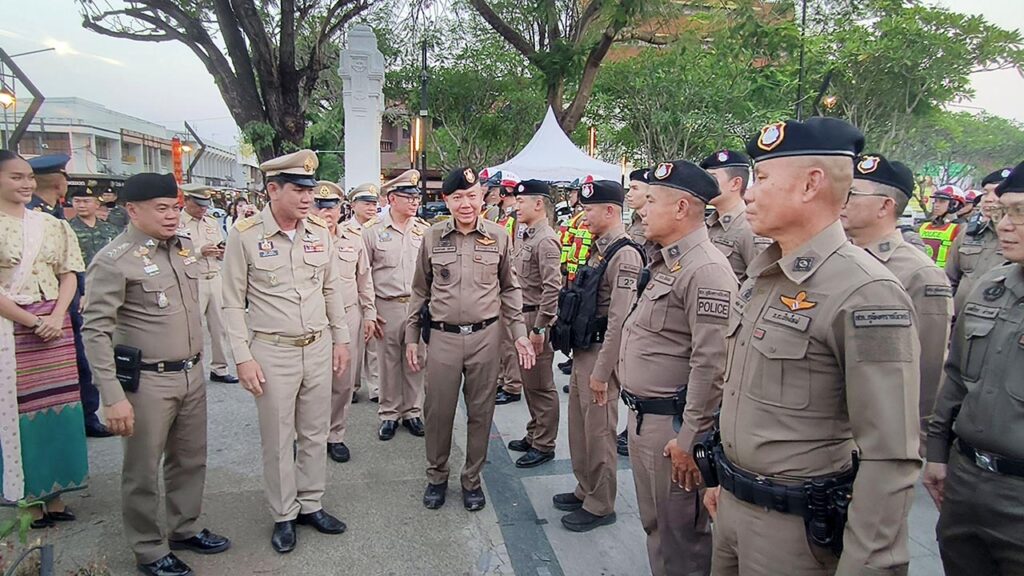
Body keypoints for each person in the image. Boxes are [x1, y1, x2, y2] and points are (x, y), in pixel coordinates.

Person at [704, 118, 922, 575]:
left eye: (763, 179)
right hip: (732, 507)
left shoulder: (865, 291)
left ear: (811, 184)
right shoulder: (764, 276)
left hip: (793, 532)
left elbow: (890, 454)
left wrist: (867, 564)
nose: (749, 194)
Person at [82, 172, 230, 576]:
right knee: (142, 470)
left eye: (175, 208)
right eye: (161, 208)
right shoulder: (114, 260)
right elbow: (95, 332)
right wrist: (112, 396)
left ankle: (185, 527)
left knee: (190, 459)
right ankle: (148, 549)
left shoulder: (183, 249)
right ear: (133, 211)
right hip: (147, 382)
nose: (171, 216)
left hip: (191, 373)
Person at [221, 149, 351, 554]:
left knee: (314, 431)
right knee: (278, 438)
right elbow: (231, 302)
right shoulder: (245, 236)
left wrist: (342, 339)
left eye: (310, 190)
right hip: (272, 351)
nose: (308, 198)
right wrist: (242, 356)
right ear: (273, 190)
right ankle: (283, 513)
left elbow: (330, 289)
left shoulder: (319, 232)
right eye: (298, 190)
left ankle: (311, 503)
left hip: (317, 346)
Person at [620, 160, 736, 576]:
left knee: (681, 536)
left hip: (673, 428)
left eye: (651, 201)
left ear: (682, 208)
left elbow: (712, 364)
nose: (642, 209)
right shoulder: (668, 262)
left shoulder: (706, 270)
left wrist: (689, 439)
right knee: (657, 526)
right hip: (645, 420)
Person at [406, 167, 536, 512]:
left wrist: (519, 334)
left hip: (485, 338)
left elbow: (510, 289)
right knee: (438, 412)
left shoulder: (499, 236)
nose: (466, 204)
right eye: (458, 197)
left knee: (481, 412)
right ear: (446, 200)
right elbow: (420, 290)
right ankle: (437, 477)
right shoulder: (432, 236)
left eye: (472, 195)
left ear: (482, 197)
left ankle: (472, 480)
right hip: (443, 338)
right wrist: (412, 337)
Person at [924, 160, 1024, 576]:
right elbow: (956, 377)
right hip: (967, 482)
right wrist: (936, 453)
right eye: (1004, 212)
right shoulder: (990, 287)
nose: (1005, 225)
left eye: (1020, 213)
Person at [0, 150, 88, 529]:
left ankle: (55, 492)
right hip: (11, 328)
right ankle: (27, 496)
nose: (26, 184)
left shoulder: (51, 225)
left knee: (60, 407)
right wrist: (32, 321)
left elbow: (69, 273)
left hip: (55, 324)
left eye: (28, 177)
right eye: (15, 177)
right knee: (19, 412)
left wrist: (55, 316)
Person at [841, 153, 953, 450]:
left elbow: (928, 370)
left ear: (885, 206)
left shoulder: (920, 274)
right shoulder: (837, 259)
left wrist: (914, 444)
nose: (842, 201)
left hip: (880, 434)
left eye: (852, 194)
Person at [554, 178, 644, 533]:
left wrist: (603, 372)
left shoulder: (624, 254)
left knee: (599, 432)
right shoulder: (599, 247)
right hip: (584, 349)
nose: (583, 216)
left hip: (601, 353)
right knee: (580, 428)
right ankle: (585, 486)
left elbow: (619, 320)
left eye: (589, 210)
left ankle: (601, 502)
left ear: (610, 210)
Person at [362, 170, 429, 440]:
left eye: (416, 197)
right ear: (392, 199)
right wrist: (370, 310)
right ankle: (389, 414)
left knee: (416, 360)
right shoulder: (372, 231)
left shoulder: (423, 230)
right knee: (387, 363)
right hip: (386, 305)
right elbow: (363, 274)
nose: (414, 202)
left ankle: (413, 412)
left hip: (416, 305)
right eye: (408, 197)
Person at [314, 181, 376, 463]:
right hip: (313, 319)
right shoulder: (302, 238)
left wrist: (369, 313)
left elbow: (364, 279)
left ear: (341, 210)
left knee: (343, 381)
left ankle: (335, 434)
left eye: (332, 207)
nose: (326, 212)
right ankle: (306, 435)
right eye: (320, 206)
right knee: (310, 383)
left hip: (349, 314)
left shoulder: (353, 238)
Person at [504, 179, 562, 468]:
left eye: (521, 201)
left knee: (541, 385)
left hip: (535, 318)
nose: (516, 206)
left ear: (539, 204)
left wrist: (540, 328)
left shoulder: (545, 240)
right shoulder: (527, 235)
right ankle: (534, 432)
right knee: (530, 382)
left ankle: (544, 444)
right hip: (522, 315)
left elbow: (552, 288)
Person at [67, 184, 119, 438]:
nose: (82, 205)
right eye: (77, 201)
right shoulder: (68, 229)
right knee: (88, 355)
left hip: (111, 294)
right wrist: (80, 294)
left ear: (97, 204)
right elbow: (70, 268)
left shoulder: (110, 230)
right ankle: (89, 414)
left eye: (86, 201)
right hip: (81, 296)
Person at [178, 183, 238, 385]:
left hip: (214, 277)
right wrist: (199, 253)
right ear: (187, 201)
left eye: (205, 205)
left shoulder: (211, 222)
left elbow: (221, 248)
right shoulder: (177, 223)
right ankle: (190, 370)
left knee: (220, 327)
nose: (202, 209)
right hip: (193, 280)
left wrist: (220, 253)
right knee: (191, 329)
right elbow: (175, 256)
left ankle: (220, 368)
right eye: (198, 205)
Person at [945, 167, 1011, 314]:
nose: (988, 199)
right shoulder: (968, 233)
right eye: (985, 193)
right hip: (959, 319)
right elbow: (949, 279)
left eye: (997, 192)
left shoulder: (1018, 238)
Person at [701, 149, 772, 283]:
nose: (704, 184)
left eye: (712, 178)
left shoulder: (750, 227)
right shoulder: (708, 224)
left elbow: (763, 282)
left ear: (735, 184)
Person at [343, 183, 381, 403]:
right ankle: (352, 386)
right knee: (353, 344)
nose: (371, 207)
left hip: (376, 292)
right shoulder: (343, 230)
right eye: (366, 203)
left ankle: (376, 387)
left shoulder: (381, 229)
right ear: (353, 205)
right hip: (352, 296)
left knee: (375, 343)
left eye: (374, 203)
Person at [919, 184, 963, 269]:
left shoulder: (961, 227)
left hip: (944, 275)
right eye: (935, 201)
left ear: (954, 204)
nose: (936, 205)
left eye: (942, 201)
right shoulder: (925, 225)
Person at [26, 154, 69, 219]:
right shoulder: (39, 215)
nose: (67, 183)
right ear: (58, 185)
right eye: (66, 179)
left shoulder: (27, 209)